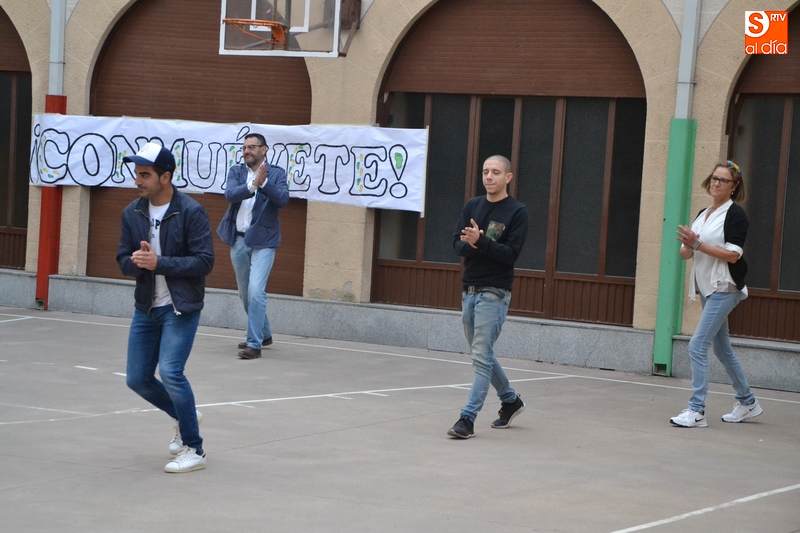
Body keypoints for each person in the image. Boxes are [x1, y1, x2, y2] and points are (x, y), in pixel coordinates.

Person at [117, 142, 214, 472]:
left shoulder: (191, 212)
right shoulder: (132, 213)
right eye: (137, 174)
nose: (138, 181)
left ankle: (195, 449)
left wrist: (160, 262)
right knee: (137, 379)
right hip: (146, 307)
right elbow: (122, 259)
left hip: (180, 306)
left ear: (166, 177)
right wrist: (136, 262)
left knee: (171, 372)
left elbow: (204, 261)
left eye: (145, 175)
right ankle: (184, 415)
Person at [671, 160, 762, 428]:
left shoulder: (736, 215)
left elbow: (733, 256)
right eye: (714, 178)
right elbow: (686, 254)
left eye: (723, 180)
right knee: (722, 350)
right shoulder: (704, 213)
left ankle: (696, 410)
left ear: (734, 186)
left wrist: (697, 243)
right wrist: (688, 245)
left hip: (725, 287)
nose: (716, 183)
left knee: (697, 345)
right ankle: (747, 402)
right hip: (707, 288)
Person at [447, 155, 529, 439]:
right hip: (469, 290)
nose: (489, 177)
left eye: (495, 172)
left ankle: (467, 419)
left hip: (494, 293)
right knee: (481, 355)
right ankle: (510, 401)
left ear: (508, 177)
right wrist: (472, 244)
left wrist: (481, 241)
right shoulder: (472, 206)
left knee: (481, 357)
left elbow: (510, 254)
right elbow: (457, 245)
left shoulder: (517, 212)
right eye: (485, 172)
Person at [217, 133, 289, 360]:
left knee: (256, 291)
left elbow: (282, 199)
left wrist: (264, 183)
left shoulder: (276, 173)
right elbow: (230, 194)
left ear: (263, 150)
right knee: (245, 294)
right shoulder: (236, 172)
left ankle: (254, 344)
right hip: (239, 240)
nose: (246, 151)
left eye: (251, 147)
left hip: (264, 241)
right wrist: (252, 185)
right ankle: (264, 334)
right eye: (244, 148)